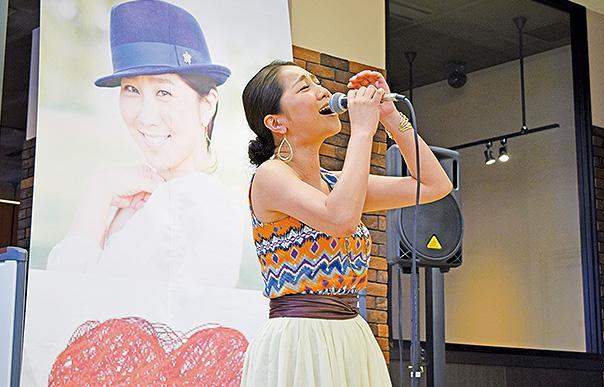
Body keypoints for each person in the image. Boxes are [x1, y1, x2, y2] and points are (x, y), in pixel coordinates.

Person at [240, 61, 453, 386]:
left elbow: (434, 185)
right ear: (276, 122)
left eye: (316, 82)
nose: (322, 90)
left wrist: (391, 118)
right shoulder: (270, 176)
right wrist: (363, 131)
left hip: (351, 334)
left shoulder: (338, 184)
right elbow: (338, 219)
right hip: (301, 339)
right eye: (304, 87)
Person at [46, 0, 244, 288]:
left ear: (207, 104)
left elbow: (66, 305)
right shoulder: (147, 201)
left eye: (164, 91)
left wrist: (98, 194)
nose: (145, 117)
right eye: (131, 89)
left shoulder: (192, 200)